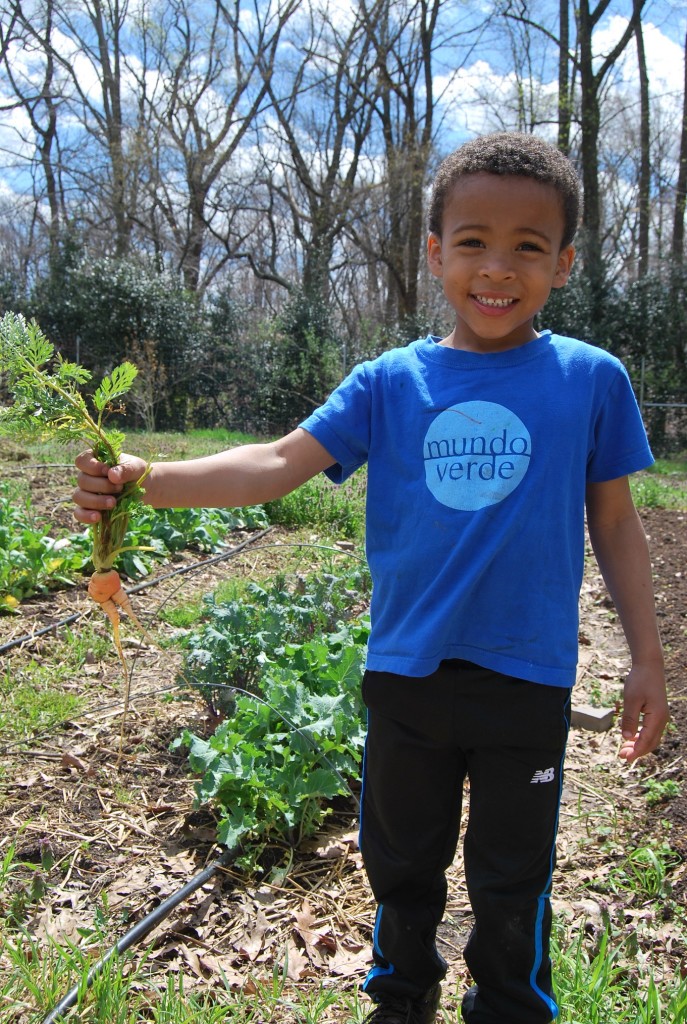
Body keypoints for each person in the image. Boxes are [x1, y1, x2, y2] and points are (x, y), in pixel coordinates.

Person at [73, 132, 669, 1024]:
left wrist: (648, 658)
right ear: (434, 252)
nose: (496, 267)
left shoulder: (588, 379)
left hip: (526, 679)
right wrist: (143, 481)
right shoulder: (390, 382)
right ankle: (400, 1001)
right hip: (406, 677)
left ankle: (509, 1005)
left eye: (527, 246)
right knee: (402, 864)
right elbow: (274, 464)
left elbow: (615, 523)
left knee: (512, 877)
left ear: (565, 261)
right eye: (471, 241)